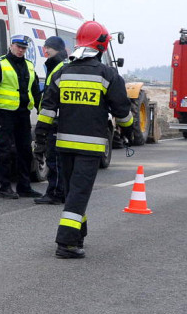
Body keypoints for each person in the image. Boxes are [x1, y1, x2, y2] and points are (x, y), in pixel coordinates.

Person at [34, 21, 134, 259]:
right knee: (78, 194)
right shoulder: (108, 75)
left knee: (72, 193)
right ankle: (66, 243)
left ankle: (79, 234)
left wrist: (39, 139)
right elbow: (122, 112)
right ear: (101, 45)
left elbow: (47, 110)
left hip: (64, 145)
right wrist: (129, 133)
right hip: (90, 148)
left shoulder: (62, 72)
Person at [0, 35, 43, 199]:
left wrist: (41, 109)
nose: (21, 50)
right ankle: (4, 187)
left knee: (25, 150)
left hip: (23, 113)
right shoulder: (0, 64)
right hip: (5, 114)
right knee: (5, 151)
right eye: (18, 47)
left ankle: (24, 187)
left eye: (24, 48)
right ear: (11, 45)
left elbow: (36, 91)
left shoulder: (30, 66)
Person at [34, 35, 68, 205]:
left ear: (57, 49)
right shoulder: (59, 65)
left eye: (48, 47)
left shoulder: (58, 67)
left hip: (55, 120)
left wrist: (42, 127)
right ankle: (60, 191)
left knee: (54, 158)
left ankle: (55, 193)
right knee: (59, 159)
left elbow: (51, 98)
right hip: (60, 119)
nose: (45, 50)